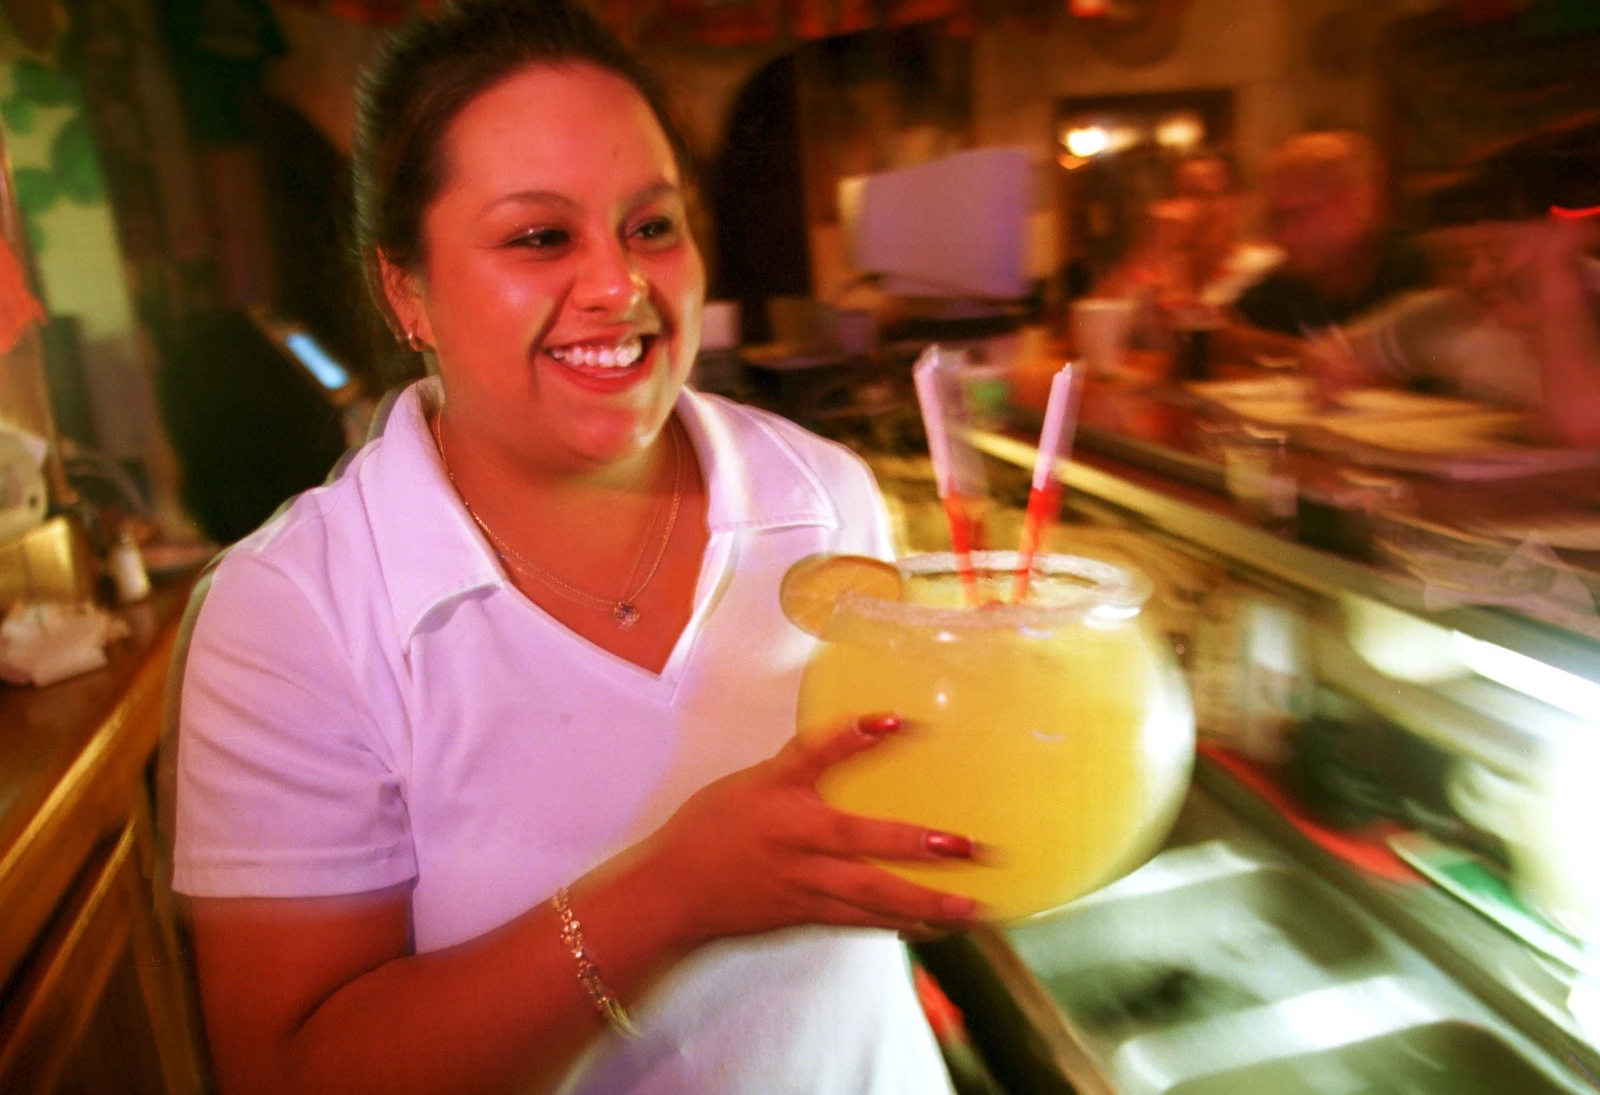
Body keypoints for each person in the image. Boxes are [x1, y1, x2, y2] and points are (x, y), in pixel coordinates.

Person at [168, 3, 977, 1093]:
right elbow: (290, 1072)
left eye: (651, 227)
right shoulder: (293, 613)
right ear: (405, 288)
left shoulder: (822, 497)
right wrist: (674, 896)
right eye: (541, 237)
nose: (619, 287)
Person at [1330, 209, 1600, 447]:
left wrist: (1556, 274)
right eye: (1458, 261)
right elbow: (1334, 350)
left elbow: (1580, 428)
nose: (1475, 278)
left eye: (1496, 254)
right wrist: (1335, 367)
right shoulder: (1445, 314)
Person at [1230, 131, 1429, 342]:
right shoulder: (1289, 284)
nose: (1286, 237)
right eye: (1278, 220)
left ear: (1358, 202)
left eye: (1300, 215)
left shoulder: (1419, 268)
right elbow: (1230, 336)